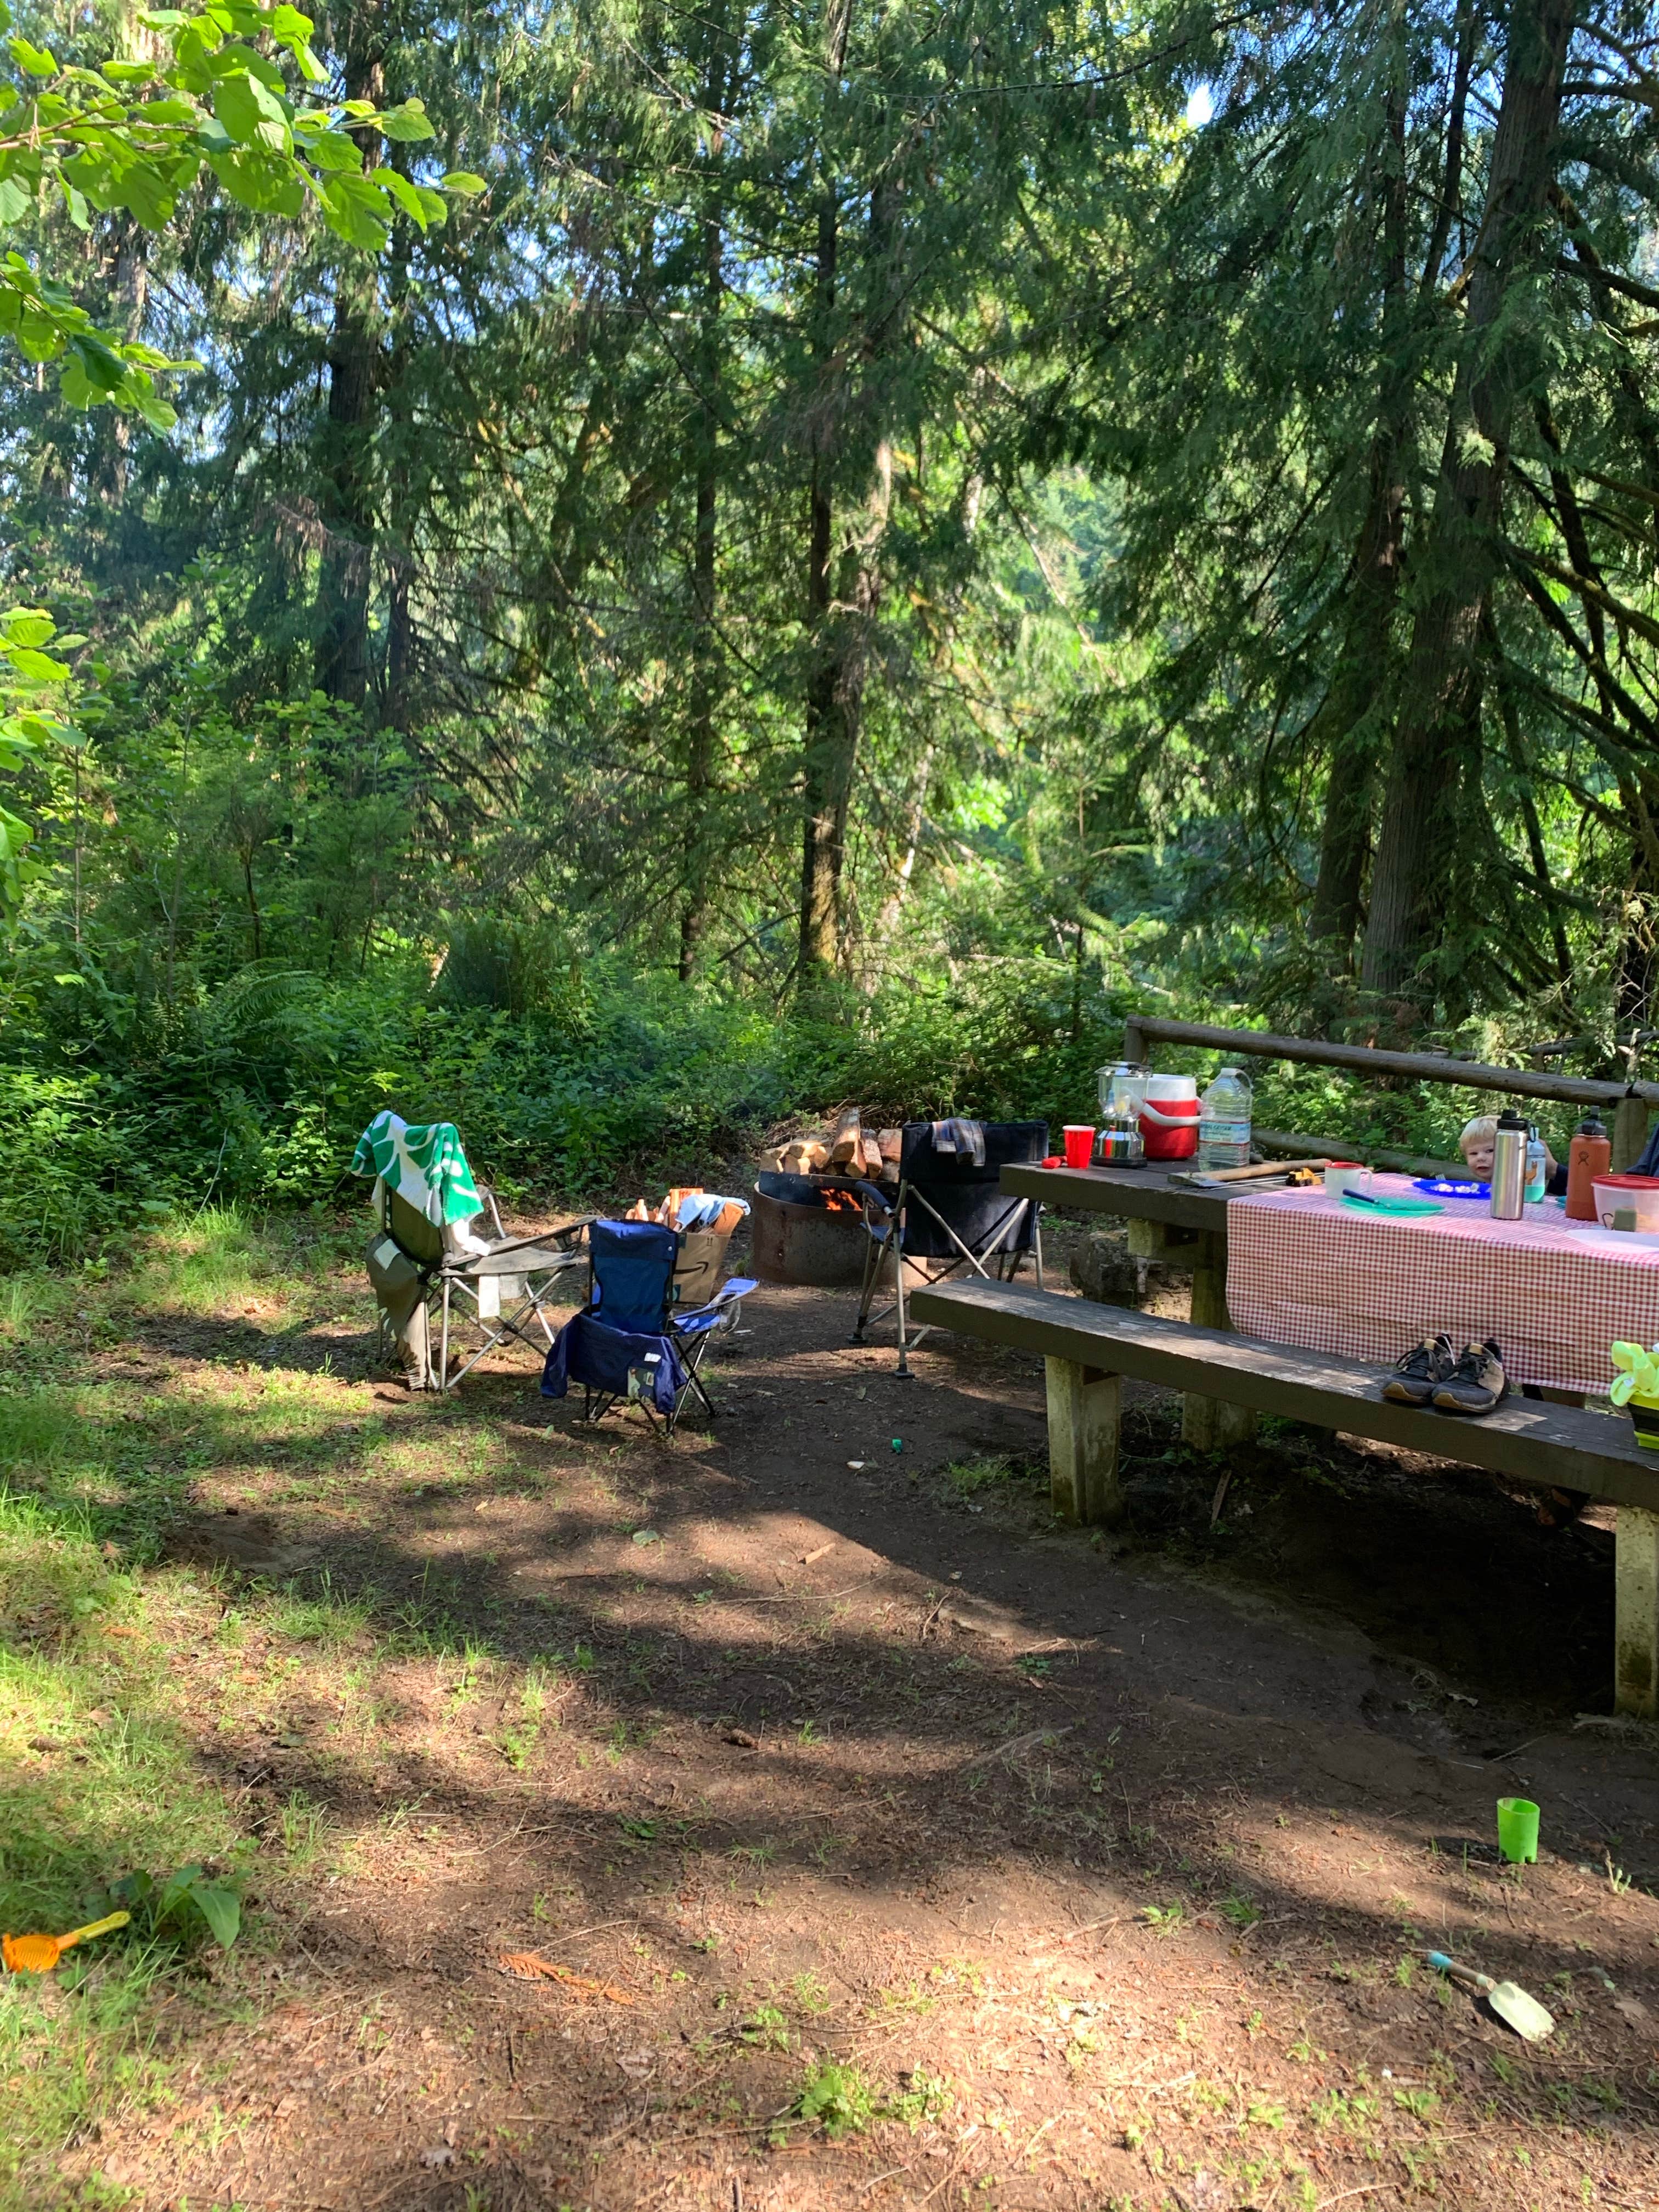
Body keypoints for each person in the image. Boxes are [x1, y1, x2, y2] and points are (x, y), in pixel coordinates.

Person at [1458, 1113, 1567, 1196]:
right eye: (1473, 1153)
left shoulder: (1522, 1188)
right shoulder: (1484, 1189)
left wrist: (1553, 1169)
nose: (1480, 1158)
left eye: (1490, 1151)